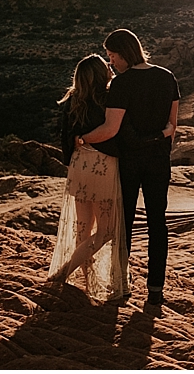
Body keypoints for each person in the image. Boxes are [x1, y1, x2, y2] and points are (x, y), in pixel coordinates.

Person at [80, 29, 180, 307]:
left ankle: (121, 285)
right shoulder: (167, 77)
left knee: (122, 224)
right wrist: (158, 140)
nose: (111, 63)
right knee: (157, 223)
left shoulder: (123, 84)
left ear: (124, 54)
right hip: (159, 161)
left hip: (129, 163)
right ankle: (156, 290)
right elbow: (172, 127)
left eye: (112, 57)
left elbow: (110, 130)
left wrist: (81, 139)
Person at [47, 54, 129, 303]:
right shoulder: (108, 98)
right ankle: (63, 273)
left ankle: (89, 281)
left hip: (78, 165)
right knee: (106, 232)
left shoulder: (73, 100)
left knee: (83, 230)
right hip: (103, 166)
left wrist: (78, 145)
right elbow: (115, 134)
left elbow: (64, 138)